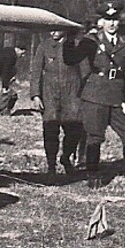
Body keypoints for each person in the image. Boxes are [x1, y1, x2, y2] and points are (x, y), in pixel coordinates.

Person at [78, 2, 125, 185]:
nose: (112, 24)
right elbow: (82, 67)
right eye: (108, 20)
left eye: (115, 20)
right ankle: (93, 174)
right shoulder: (91, 40)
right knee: (95, 135)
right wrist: (86, 89)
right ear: (101, 22)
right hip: (95, 94)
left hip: (117, 95)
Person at [31, 26, 88, 177]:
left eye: (57, 29)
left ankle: (66, 157)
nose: (53, 33)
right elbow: (36, 71)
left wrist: (85, 94)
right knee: (50, 130)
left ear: (65, 29)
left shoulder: (76, 45)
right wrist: (36, 95)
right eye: (51, 30)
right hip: (50, 93)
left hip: (72, 94)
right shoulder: (44, 46)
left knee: (74, 130)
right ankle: (51, 166)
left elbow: (85, 72)